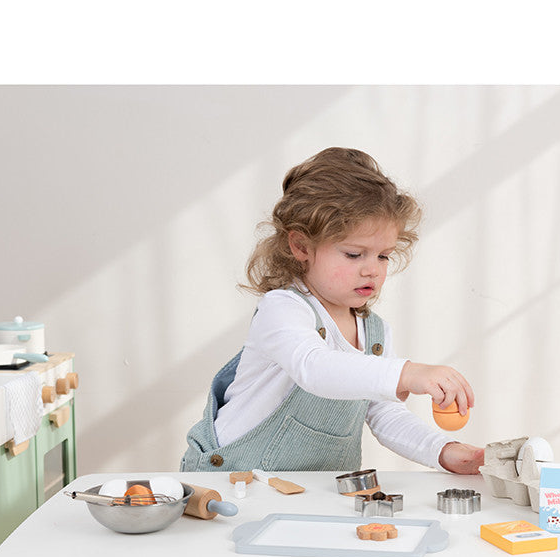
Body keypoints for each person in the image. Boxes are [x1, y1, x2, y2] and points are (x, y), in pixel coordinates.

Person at [181, 147, 484, 474]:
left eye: (383, 256)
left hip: (312, 491)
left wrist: (443, 451)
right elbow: (315, 368)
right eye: (354, 254)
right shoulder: (282, 309)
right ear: (301, 246)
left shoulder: (375, 334)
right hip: (233, 480)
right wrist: (408, 373)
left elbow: (386, 414)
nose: (372, 269)